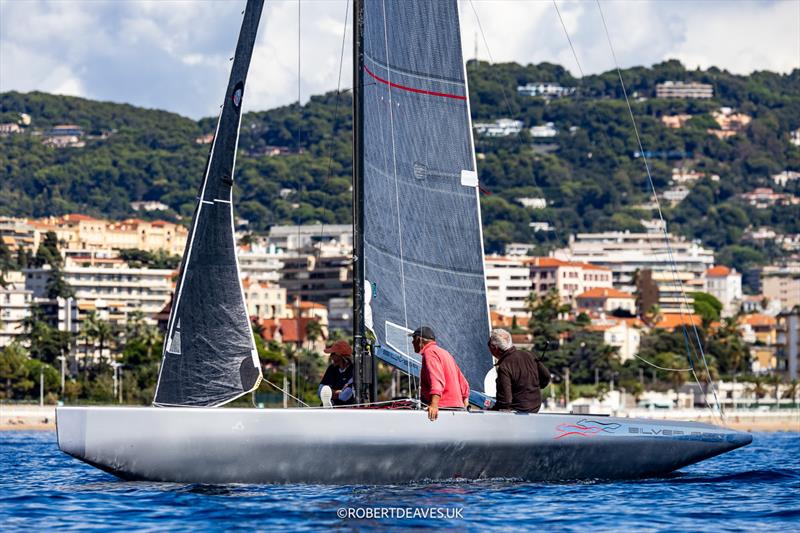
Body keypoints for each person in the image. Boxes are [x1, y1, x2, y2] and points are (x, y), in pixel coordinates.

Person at [410, 326, 470, 421]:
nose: (412, 342)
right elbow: (463, 382)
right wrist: (466, 405)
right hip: (457, 408)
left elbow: (437, 380)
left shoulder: (429, 353)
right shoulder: (445, 353)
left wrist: (434, 404)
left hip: (442, 408)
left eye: (413, 339)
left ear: (420, 340)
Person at [488, 328, 550, 413]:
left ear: (495, 348)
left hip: (517, 413)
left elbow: (505, 401)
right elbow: (546, 377)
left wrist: (492, 410)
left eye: (488, 344)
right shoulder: (529, 355)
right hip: (535, 409)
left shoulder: (504, 366)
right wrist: (533, 387)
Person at [318, 339, 355, 407]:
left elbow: (345, 396)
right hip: (329, 408)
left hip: (346, 410)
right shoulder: (331, 368)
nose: (330, 356)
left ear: (340, 356)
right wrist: (338, 392)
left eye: (333, 354)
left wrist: (329, 393)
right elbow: (320, 391)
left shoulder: (353, 370)